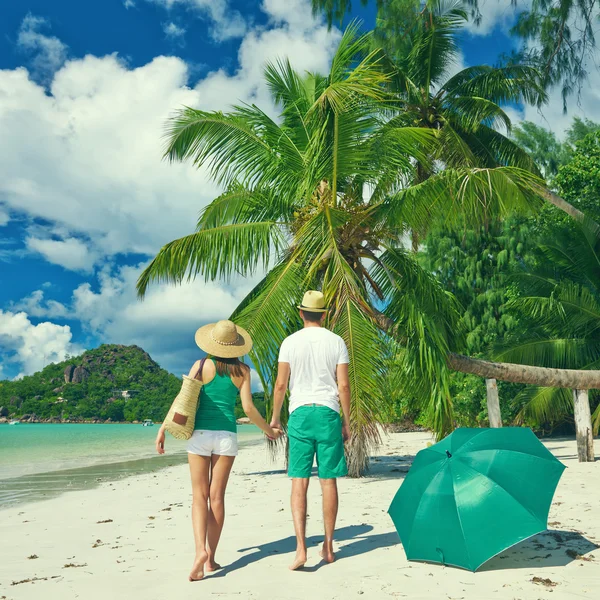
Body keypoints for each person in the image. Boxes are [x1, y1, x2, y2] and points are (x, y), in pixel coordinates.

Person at [155, 320, 281, 582]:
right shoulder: (243, 370)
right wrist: (267, 430)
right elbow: (247, 408)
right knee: (217, 498)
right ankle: (211, 559)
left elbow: (183, 399)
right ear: (236, 345)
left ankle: (199, 551)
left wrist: (163, 429)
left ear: (212, 342)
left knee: (199, 497)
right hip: (226, 437)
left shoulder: (201, 366)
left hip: (200, 435)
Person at [270, 290, 351, 570]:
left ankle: (301, 549)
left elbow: (281, 385)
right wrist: (347, 420)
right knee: (328, 481)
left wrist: (275, 419)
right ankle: (328, 546)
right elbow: (343, 386)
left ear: (301, 313)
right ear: (324, 314)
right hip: (328, 412)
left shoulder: (290, 342)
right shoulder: (337, 341)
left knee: (299, 481)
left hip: (300, 413)